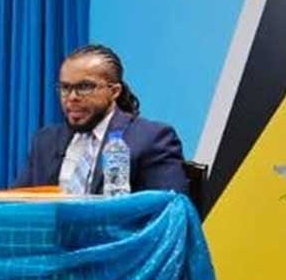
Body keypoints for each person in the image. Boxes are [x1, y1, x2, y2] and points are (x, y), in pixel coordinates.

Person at [13, 44, 187, 193]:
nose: (72, 97)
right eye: (65, 88)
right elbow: (18, 203)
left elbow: (168, 214)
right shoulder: (46, 140)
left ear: (114, 91)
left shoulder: (150, 139)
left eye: (85, 87)